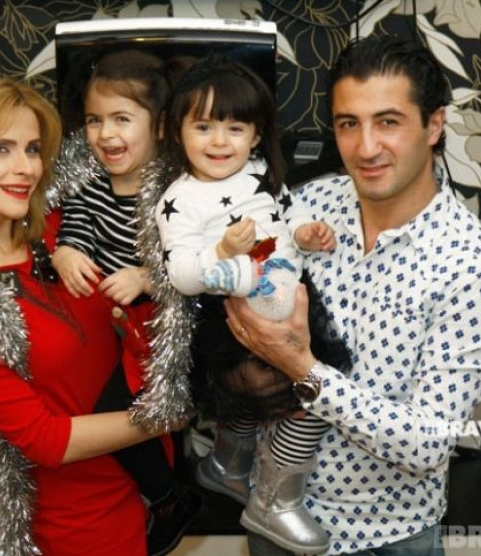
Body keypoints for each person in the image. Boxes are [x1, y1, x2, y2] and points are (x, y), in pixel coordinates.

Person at [223, 35, 481, 555]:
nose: (365, 147)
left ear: (434, 125)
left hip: (384, 538)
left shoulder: (472, 269)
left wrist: (303, 369)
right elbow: (231, 300)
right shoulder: (306, 207)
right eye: (348, 124)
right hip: (271, 519)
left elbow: (426, 446)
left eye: (388, 122)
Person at [0, 74, 184, 556]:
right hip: (77, 522)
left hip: (151, 488)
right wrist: (170, 414)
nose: (26, 167)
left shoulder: (63, 228)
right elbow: (45, 439)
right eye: (0, 149)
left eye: (32, 149)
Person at [150, 55, 344, 555]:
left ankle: (227, 465)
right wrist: (222, 251)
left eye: (235, 128)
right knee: (311, 399)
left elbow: (290, 213)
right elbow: (181, 275)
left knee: (276, 401)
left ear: (256, 135)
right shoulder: (179, 200)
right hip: (232, 319)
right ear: (177, 131)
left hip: (290, 298)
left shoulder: (261, 173)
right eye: (204, 126)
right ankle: (277, 500)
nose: (219, 141)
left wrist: (305, 232)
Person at [51, 49, 204, 556]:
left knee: (120, 408)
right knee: (106, 400)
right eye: (94, 120)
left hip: (175, 325)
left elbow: (199, 259)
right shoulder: (91, 185)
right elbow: (76, 227)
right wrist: (67, 252)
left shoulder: (178, 189)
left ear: (158, 126)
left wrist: (147, 277)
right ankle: (161, 491)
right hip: (120, 329)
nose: (105, 133)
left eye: (121, 119)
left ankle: (169, 496)